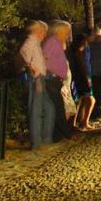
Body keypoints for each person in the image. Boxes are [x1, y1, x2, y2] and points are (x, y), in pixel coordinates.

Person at [19, 20, 54, 149]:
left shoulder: (35, 42)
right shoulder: (31, 41)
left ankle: (43, 138)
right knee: (36, 109)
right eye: (44, 31)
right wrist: (34, 70)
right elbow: (23, 53)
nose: (45, 34)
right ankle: (37, 141)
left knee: (47, 108)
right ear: (38, 31)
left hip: (39, 78)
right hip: (36, 79)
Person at [43, 20, 75, 141]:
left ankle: (61, 133)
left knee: (64, 107)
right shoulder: (52, 42)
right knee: (60, 107)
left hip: (60, 79)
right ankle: (60, 134)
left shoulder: (57, 42)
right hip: (54, 80)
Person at [68, 31, 96, 130]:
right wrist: (86, 79)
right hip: (81, 80)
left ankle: (76, 123)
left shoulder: (74, 53)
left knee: (79, 102)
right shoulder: (78, 54)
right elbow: (81, 68)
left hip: (76, 80)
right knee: (90, 100)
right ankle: (83, 122)